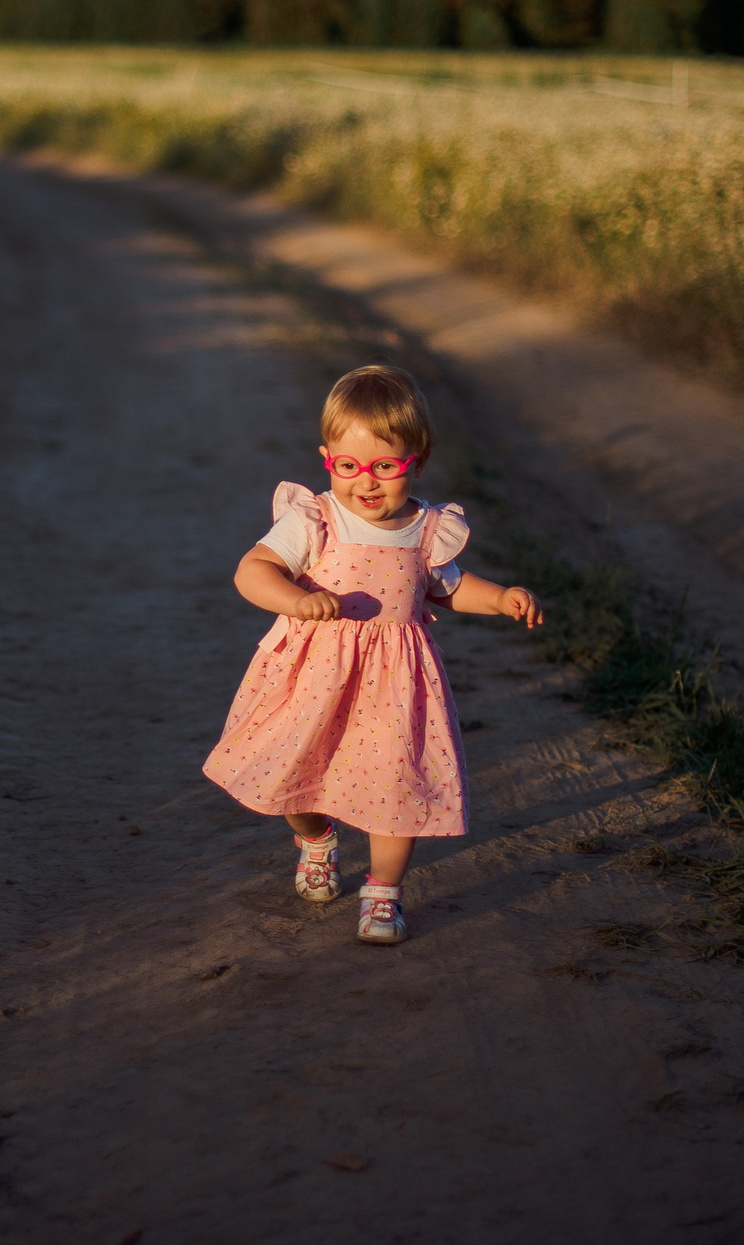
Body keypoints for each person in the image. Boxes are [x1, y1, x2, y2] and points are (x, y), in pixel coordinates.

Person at [204, 365, 543, 943]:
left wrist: (502, 597)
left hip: (395, 686)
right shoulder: (315, 519)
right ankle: (315, 838)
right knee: (295, 773)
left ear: (417, 460)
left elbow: (450, 587)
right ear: (326, 459)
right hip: (314, 676)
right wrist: (293, 598)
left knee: (398, 784)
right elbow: (251, 571)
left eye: (386, 467)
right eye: (349, 466)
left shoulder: (426, 529)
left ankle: (383, 891)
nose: (367, 481)